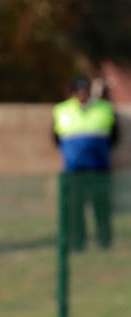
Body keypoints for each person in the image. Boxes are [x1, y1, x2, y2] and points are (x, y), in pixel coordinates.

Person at [53, 76, 119, 251]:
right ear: (73, 93)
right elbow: (56, 137)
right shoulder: (62, 110)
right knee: (75, 208)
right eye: (78, 91)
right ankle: (77, 242)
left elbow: (114, 136)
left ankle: (105, 241)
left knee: (101, 206)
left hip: (99, 168)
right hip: (74, 170)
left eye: (85, 90)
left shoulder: (104, 108)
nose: (82, 94)